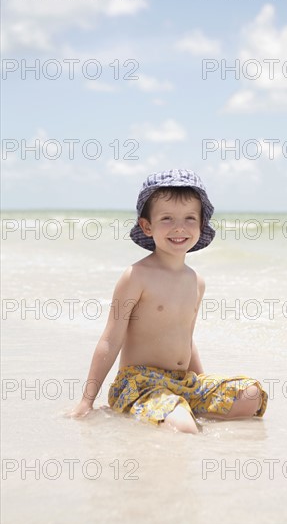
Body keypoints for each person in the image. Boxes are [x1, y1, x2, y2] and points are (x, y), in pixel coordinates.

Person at [71, 169, 268, 433]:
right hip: (141, 383)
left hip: (182, 382)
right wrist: (87, 400)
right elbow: (111, 338)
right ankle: (160, 411)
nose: (179, 227)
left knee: (251, 394)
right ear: (147, 226)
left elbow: (186, 339)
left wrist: (201, 385)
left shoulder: (196, 281)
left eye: (189, 218)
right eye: (167, 219)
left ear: (201, 225)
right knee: (185, 428)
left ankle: (181, 407)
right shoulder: (136, 276)